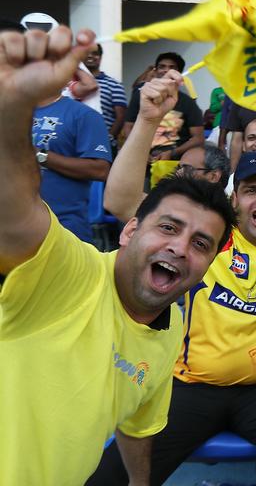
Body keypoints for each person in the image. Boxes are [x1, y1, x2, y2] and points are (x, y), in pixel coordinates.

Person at [0, 26, 234, 485]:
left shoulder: (169, 327)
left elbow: (138, 422)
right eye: (168, 227)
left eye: (200, 244)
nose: (180, 247)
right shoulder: (70, 273)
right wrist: (14, 107)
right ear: (129, 230)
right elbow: (13, 212)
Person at [89, 149, 256, 485]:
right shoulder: (209, 236)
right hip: (191, 384)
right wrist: (148, 123)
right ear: (235, 198)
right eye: (251, 190)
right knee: (116, 472)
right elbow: (119, 201)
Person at [32, 82, 112, 242]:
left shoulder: (83, 115)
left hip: (62, 225)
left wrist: (39, 155)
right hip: (13, 225)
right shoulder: (11, 114)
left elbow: (100, 170)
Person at [123, 51, 204, 162]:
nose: (166, 70)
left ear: (179, 73)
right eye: (162, 67)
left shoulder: (188, 102)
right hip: (140, 159)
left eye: (172, 67)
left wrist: (173, 153)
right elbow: (128, 127)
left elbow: (198, 138)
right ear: (155, 71)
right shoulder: (141, 96)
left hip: (172, 163)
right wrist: (139, 151)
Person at [83, 43, 127, 150]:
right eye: (86, 53)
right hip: (73, 142)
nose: (90, 56)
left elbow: (121, 117)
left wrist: (107, 139)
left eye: (95, 53)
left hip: (102, 145)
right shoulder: (70, 84)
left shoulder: (114, 85)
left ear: (100, 57)